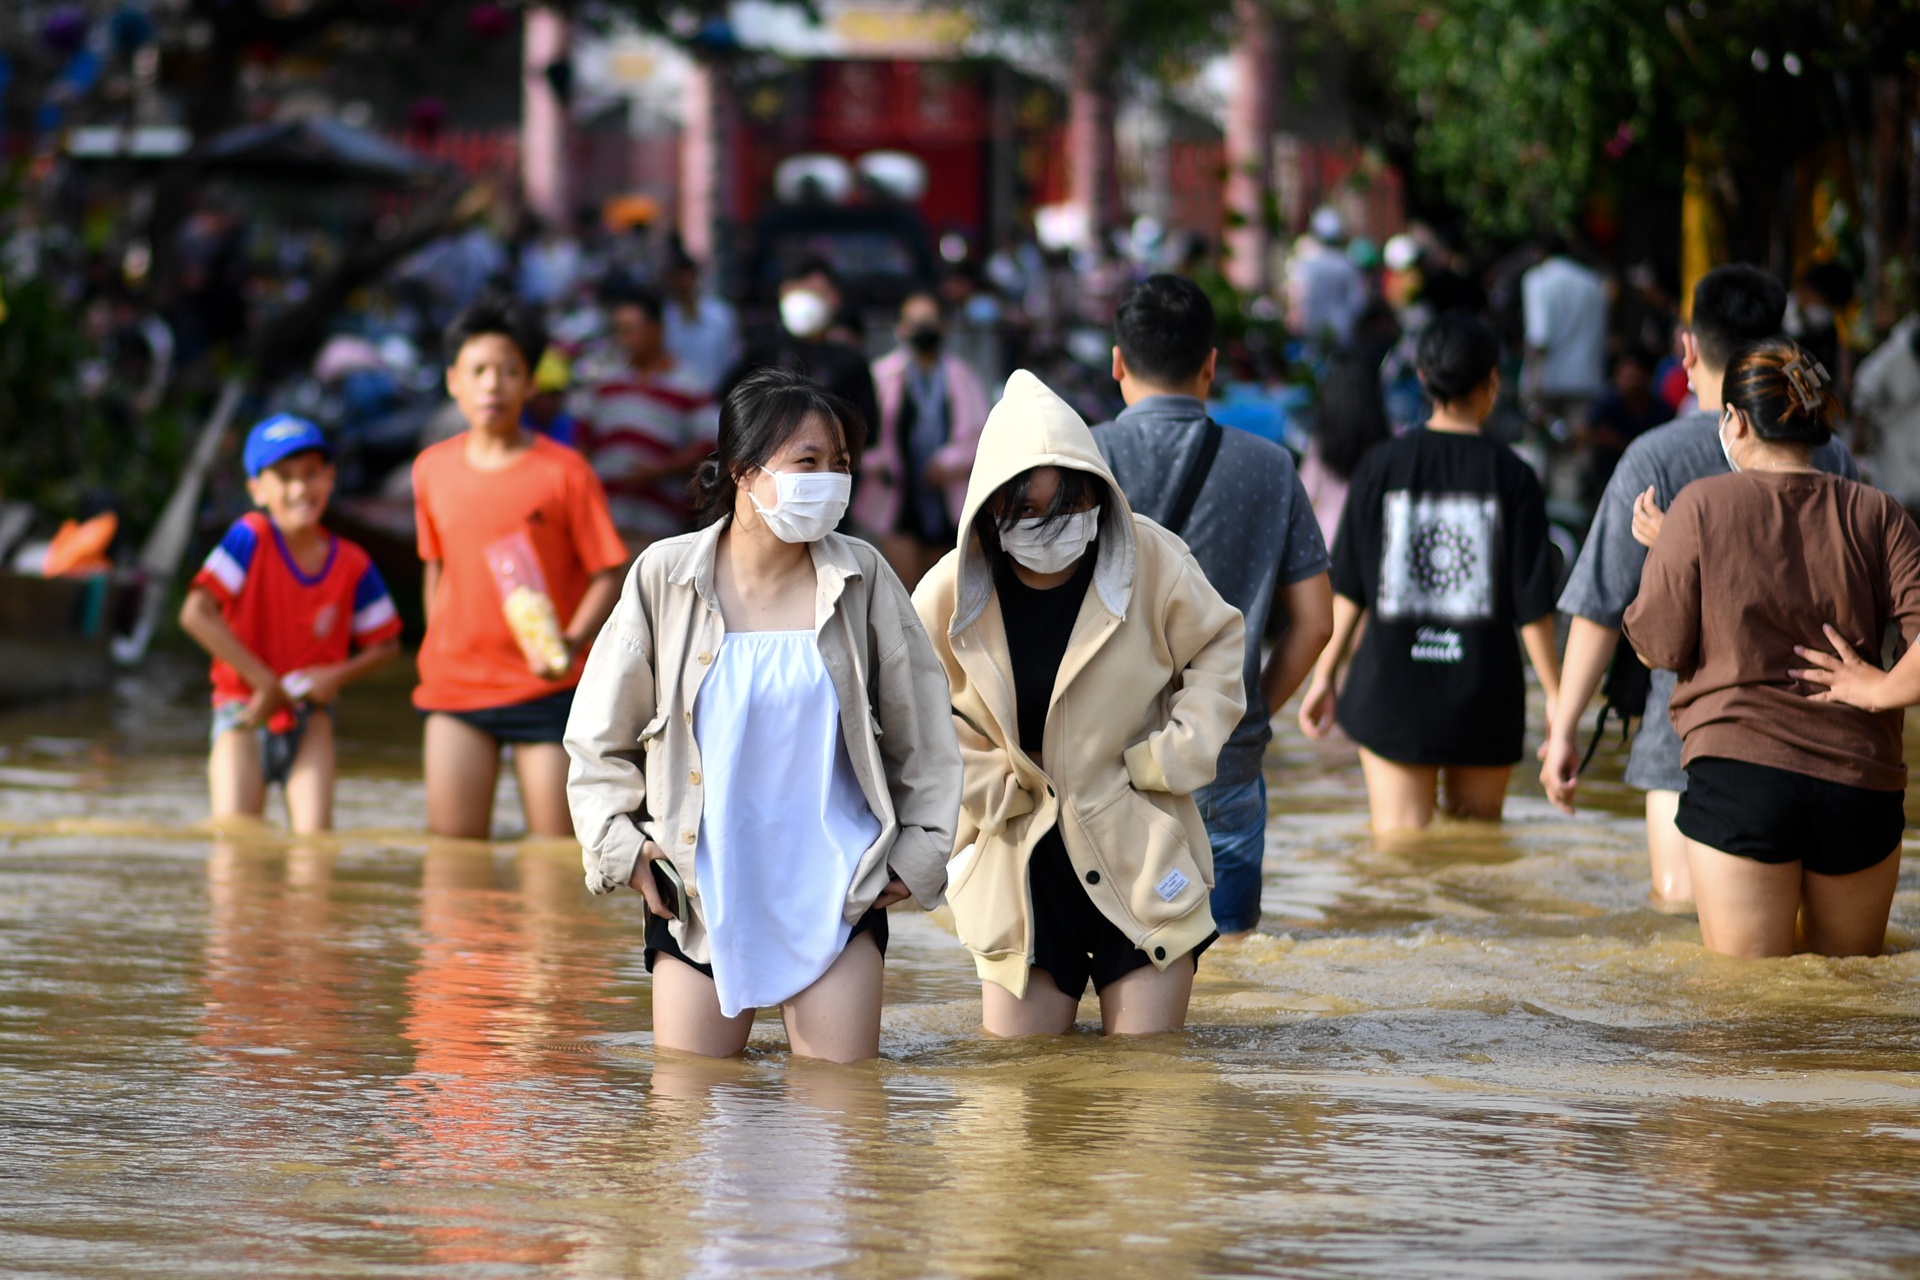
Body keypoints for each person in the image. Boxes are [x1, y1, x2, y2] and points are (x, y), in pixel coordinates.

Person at [567, 368, 961, 1062]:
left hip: (840, 892)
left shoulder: (864, 578)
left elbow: (925, 734)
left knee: (839, 1130)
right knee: (691, 1131)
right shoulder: (666, 576)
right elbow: (599, 738)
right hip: (696, 901)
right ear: (745, 471)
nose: (832, 480)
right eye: (808, 462)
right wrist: (622, 851)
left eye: (841, 464)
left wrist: (923, 850)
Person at [913, 371, 1247, 1037]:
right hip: (1017, 867)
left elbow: (1220, 645)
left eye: (1066, 505)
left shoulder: (1150, 558)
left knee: (1153, 1099)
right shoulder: (950, 590)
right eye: (1025, 511)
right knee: (1016, 1100)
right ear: (991, 511)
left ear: (1096, 492)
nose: (1048, 528)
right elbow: (913, 714)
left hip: (1137, 846)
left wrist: (1166, 758)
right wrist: (989, 788)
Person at [1541, 266, 1860, 908]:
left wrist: (1563, 726)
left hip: (1688, 745)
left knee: (1694, 945)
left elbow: (1601, 605)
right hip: (1828, 745)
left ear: (1688, 347)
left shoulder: (1655, 456)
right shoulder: (1828, 453)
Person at [1622, 340, 1917, 958]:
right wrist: (1880, 688)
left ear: (1735, 421)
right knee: (1847, 1007)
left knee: (1744, 1016)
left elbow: (1659, 647)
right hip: (1857, 780)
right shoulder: (1879, 513)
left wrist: (1673, 545)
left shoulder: (1700, 506)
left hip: (1739, 777)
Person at [1094, 274, 1333, 938]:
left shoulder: (1080, 460)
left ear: (1117, 363)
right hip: (1221, 759)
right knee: (1225, 981)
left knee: (1101, 974)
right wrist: (1239, 713)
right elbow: (1317, 624)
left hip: (1095, 759)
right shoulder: (1269, 466)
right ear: (1211, 366)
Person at [1300, 312, 1562, 834]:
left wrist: (1322, 676)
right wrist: (1558, 699)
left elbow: (1349, 585)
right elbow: (1532, 604)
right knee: (1476, 858)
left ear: (1421, 378)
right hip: (1484, 692)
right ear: (1493, 381)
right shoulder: (1514, 475)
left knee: (1400, 858)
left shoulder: (1381, 466)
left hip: (1392, 689)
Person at [412, 296, 629, 840]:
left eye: (509, 371)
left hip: (547, 688)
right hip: (455, 687)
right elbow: (434, 566)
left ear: (530, 384)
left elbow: (609, 571)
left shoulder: (565, 472)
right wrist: (432, 646)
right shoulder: (431, 470)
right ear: (452, 381)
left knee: (556, 861)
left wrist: (572, 642)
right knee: (451, 859)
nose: (493, 385)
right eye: (478, 370)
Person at [179, 415, 403, 833]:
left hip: (311, 714)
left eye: (311, 474)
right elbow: (195, 612)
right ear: (257, 490)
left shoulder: (352, 563)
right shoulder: (251, 536)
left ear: (330, 478)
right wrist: (266, 684)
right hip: (244, 711)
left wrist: (336, 676)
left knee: (314, 849)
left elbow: (387, 644)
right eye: (284, 477)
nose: (301, 489)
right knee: (235, 844)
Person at [853, 290, 989, 588]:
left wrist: (947, 462)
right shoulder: (882, 375)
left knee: (942, 591)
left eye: (928, 320)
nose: (922, 329)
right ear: (900, 328)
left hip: (946, 496)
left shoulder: (962, 376)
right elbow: (864, 436)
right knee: (906, 591)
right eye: (914, 321)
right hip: (898, 496)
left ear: (942, 326)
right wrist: (884, 463)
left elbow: (980, 434)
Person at [578, 279, 717, 543]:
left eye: (631, 330)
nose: (624, 339)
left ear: (657, 330)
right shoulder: (603, 380)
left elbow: (707, 447)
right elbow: (583, 442)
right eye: (619, 331)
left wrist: (658, 471)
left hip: (661, 528)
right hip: (606, 522)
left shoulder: (689, 384)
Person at [726, 258, 880, 441]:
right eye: (800, 291)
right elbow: (732, 407)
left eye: (816, 293)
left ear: (834, 298)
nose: (806, 301)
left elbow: (868, 429)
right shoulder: (761, 352)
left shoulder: (849, 361)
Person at [1299, 349, 1395, 548]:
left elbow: (1304, 499)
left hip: (1329, 542)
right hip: (1378, 543)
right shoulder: (1390, 440)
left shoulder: (1322, 442)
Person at [1521, 236, 1607, 430]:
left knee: (1541, 447)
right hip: (1586, 378)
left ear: (1540, 253)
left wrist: (1528, 383)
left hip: (1548, 379)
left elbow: (1539, 336)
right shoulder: (1593, 282)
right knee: (1578, 448)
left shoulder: (1538, 279)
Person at [1581, 346, 1675, 502]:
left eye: (1632, 376)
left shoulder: (1662, 412)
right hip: (1606, 481)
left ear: (1647, 377)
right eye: (1622, 375)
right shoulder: (1606, 403)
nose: (1626, 382)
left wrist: (1618, 442)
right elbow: (1585, 432)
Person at [661, 247, 741, 398]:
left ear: (695, 277)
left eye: (686, 276)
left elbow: (731, 358)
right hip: (673, 398)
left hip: (715, 396)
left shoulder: (722, 314)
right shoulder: (661, 318)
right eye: (678, 277)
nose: (683, 282)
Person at [1284, 208, 1368, 351]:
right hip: (1342, 334)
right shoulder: (1349, 266)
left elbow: (1297, 300)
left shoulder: (1306, 265)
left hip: (1312, 331)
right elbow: (1358, 302)